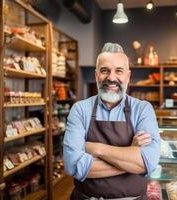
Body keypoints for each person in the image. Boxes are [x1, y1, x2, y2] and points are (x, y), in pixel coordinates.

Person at [63, 42, 161, 200]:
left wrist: (95, 149)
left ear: (128, 77)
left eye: (119, 71)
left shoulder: (143, 109)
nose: (111, 77)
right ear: (96, 76)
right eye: (104, 71)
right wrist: (130, 155)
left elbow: (148, 163)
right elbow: (73, 166)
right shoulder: (80, 109)